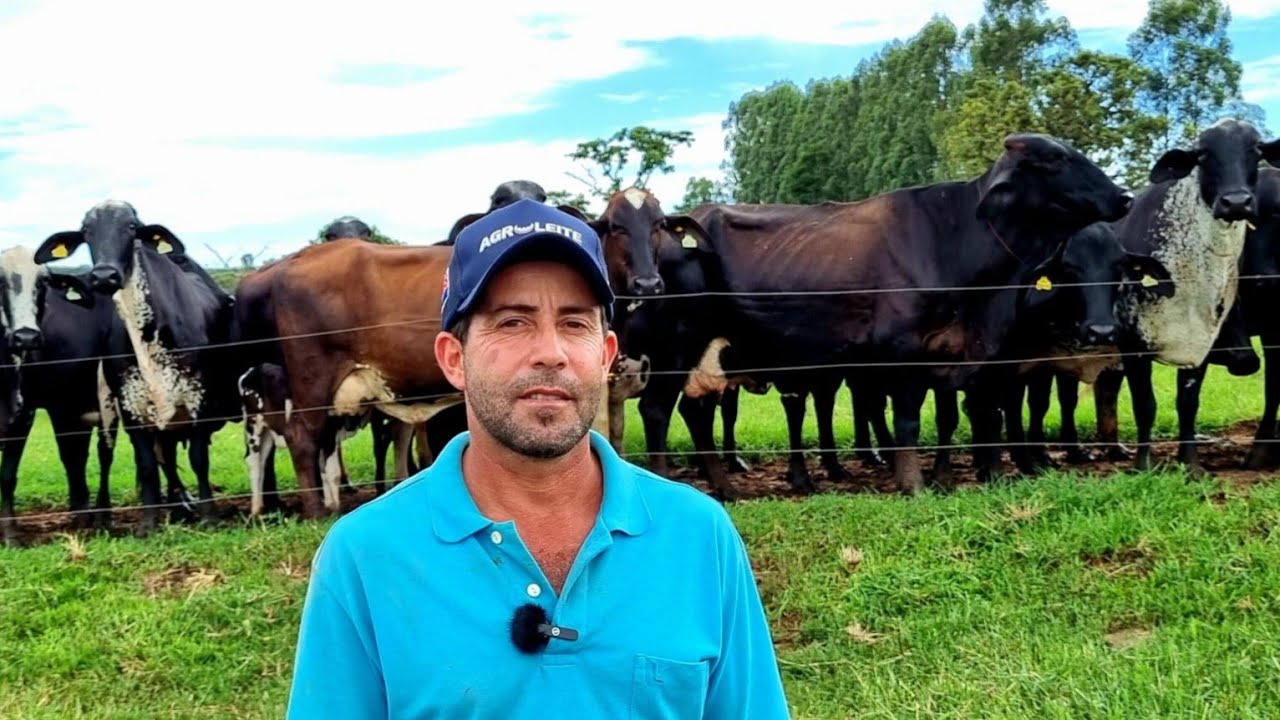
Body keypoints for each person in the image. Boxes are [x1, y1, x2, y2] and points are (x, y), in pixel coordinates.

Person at [285, 199, 791, 719]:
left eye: (574, 323)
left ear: (605, 355)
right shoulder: (366, 556)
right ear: (454, 360)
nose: (551, 352)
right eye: (512, 322)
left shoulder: (698, 535)